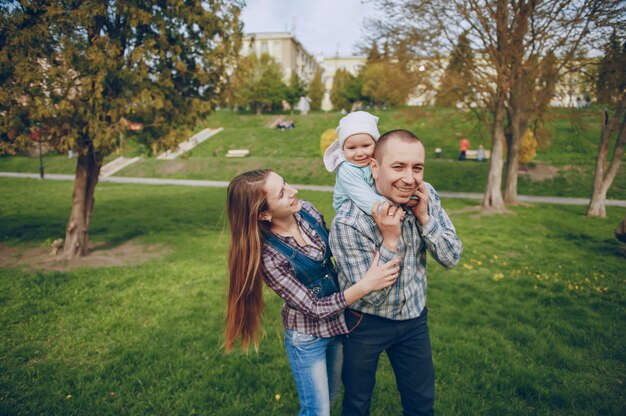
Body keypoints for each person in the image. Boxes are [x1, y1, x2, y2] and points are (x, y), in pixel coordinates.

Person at [224, 169, 401, 416]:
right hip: (308, 338)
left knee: (331, 395)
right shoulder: (269, 257)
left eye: (285, 183)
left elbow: (336, 246)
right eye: (282, 193)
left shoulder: (306, 210)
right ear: (263, 214)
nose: (293, 191)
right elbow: (314, 307)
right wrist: (366, 285)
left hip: (339, 325)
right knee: (317, 411)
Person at [330, 129, 463, 415]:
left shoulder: (426, 197)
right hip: (364, 323)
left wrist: (426, 219)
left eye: (417, 167)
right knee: (356, 403)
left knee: (421, 405)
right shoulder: (349, 222)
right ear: (375, 167)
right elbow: (372, 296)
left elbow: (452, 257)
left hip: (414, 319)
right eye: (398, 166)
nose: (410, 178)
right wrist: (390, 240)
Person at [323, 111, 387, 214]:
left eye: (366, 146)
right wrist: (396, 207)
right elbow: (367, 201)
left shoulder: (377, 161)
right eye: (352, 148)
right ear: (343, 150)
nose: (360, 153)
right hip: (350, 213)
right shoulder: (347, 169)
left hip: (373, 205)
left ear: (376, 143)